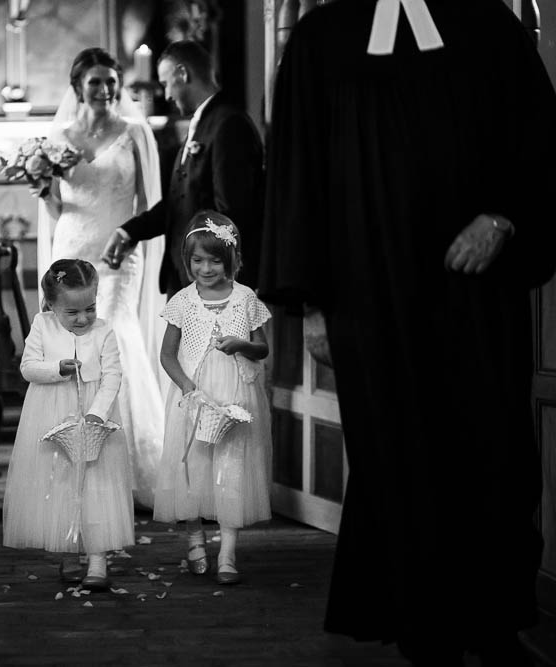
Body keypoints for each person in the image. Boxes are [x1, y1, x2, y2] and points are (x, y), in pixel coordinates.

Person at [260, 1, 556, 664]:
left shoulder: (488, 27)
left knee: (496, 451)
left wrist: (503, 218)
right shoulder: (320, 40)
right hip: (367, 300)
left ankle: (494, 618)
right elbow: (296, 170)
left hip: (476, 291)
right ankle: (423, 627)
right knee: (396, 456)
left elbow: (542, 136)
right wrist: (310, 310)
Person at [37, 46, 165, 508]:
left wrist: (135, 241)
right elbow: (54, 205)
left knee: (113, 337)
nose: (106, 90)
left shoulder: (136, 133)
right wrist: (41, 188)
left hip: (118, 257)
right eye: (95, 82)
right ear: (78, 87)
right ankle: (78, 461)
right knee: (73, 346)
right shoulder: (58, 137)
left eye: (112, 81)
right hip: (71, 250)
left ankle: (130, 470)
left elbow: (151, 205)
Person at [154, 211, 272, 585]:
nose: (206, 268)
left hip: (238, 395)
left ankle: (228, 553)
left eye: (215, 260)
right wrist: (188, 387)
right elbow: (167, 355)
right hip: (197, 395)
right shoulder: (183, 302)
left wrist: (242, 345)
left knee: (233, 470)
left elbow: (263, 349)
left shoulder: (246, 298)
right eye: (197, 261)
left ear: (231, 259)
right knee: (196, 469)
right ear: (187, 262)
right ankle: (194, 540)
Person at [3, 259, 134, 591]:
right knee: (60, 481)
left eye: (89, 309)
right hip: (53, 412)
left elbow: (113, 375)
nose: (83, 318)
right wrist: (56, 369)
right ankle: (68, 551)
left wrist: (98, 413)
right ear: (51, 305)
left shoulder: (104, 331)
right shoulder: (42, 325)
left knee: (97, 482)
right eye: (72, 312)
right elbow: (28, 368)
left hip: (94, 414)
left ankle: (99, 558)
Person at [101, 40, 265, 297]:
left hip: (211, 287)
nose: (166, 95)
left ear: (183, 73)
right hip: (188, 282)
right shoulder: (203, 124)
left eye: (166, 83)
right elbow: (178, 204)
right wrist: (130, 231)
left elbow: (232, 215)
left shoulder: (228, 125)